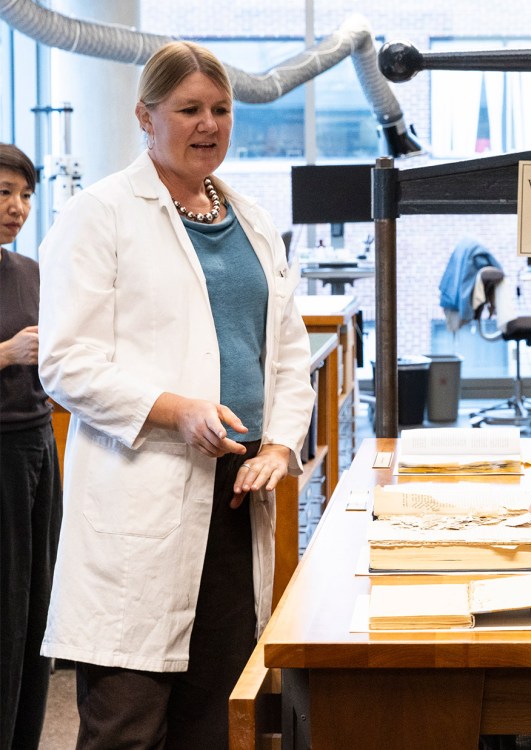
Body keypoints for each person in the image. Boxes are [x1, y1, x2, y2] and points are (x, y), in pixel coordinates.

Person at [37, 41, 314, 747]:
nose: (208, 124)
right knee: (127, 724)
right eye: (188, 109)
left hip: (234, 495)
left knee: (216, 720)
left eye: (220, 110)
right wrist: (177, 408)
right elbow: (67, 361)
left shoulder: (249, 219)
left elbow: (284, 353)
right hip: (145, 494)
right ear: (145, 115)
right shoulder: (101, 214)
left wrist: (279, 444)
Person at [1, 143, 62, 750]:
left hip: (40, 441)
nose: (16, 208)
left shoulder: (29, 271)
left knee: (41, 608)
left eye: (23, 196)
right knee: (5, 611)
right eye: (2, 194)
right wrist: (4, 354)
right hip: (0, 451)